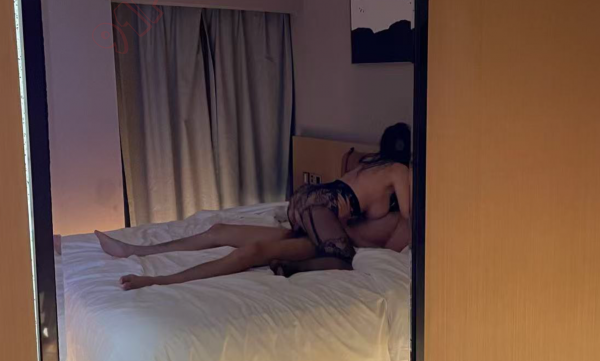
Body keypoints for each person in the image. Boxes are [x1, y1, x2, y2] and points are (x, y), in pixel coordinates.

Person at [96, 123, 412, 290]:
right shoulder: (399, 173)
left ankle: (135, 252)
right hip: (323, 217)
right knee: (342, 261)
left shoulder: (367, 164)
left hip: (308, 203)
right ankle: (155, 278)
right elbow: (411, 215)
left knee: (222, 231)